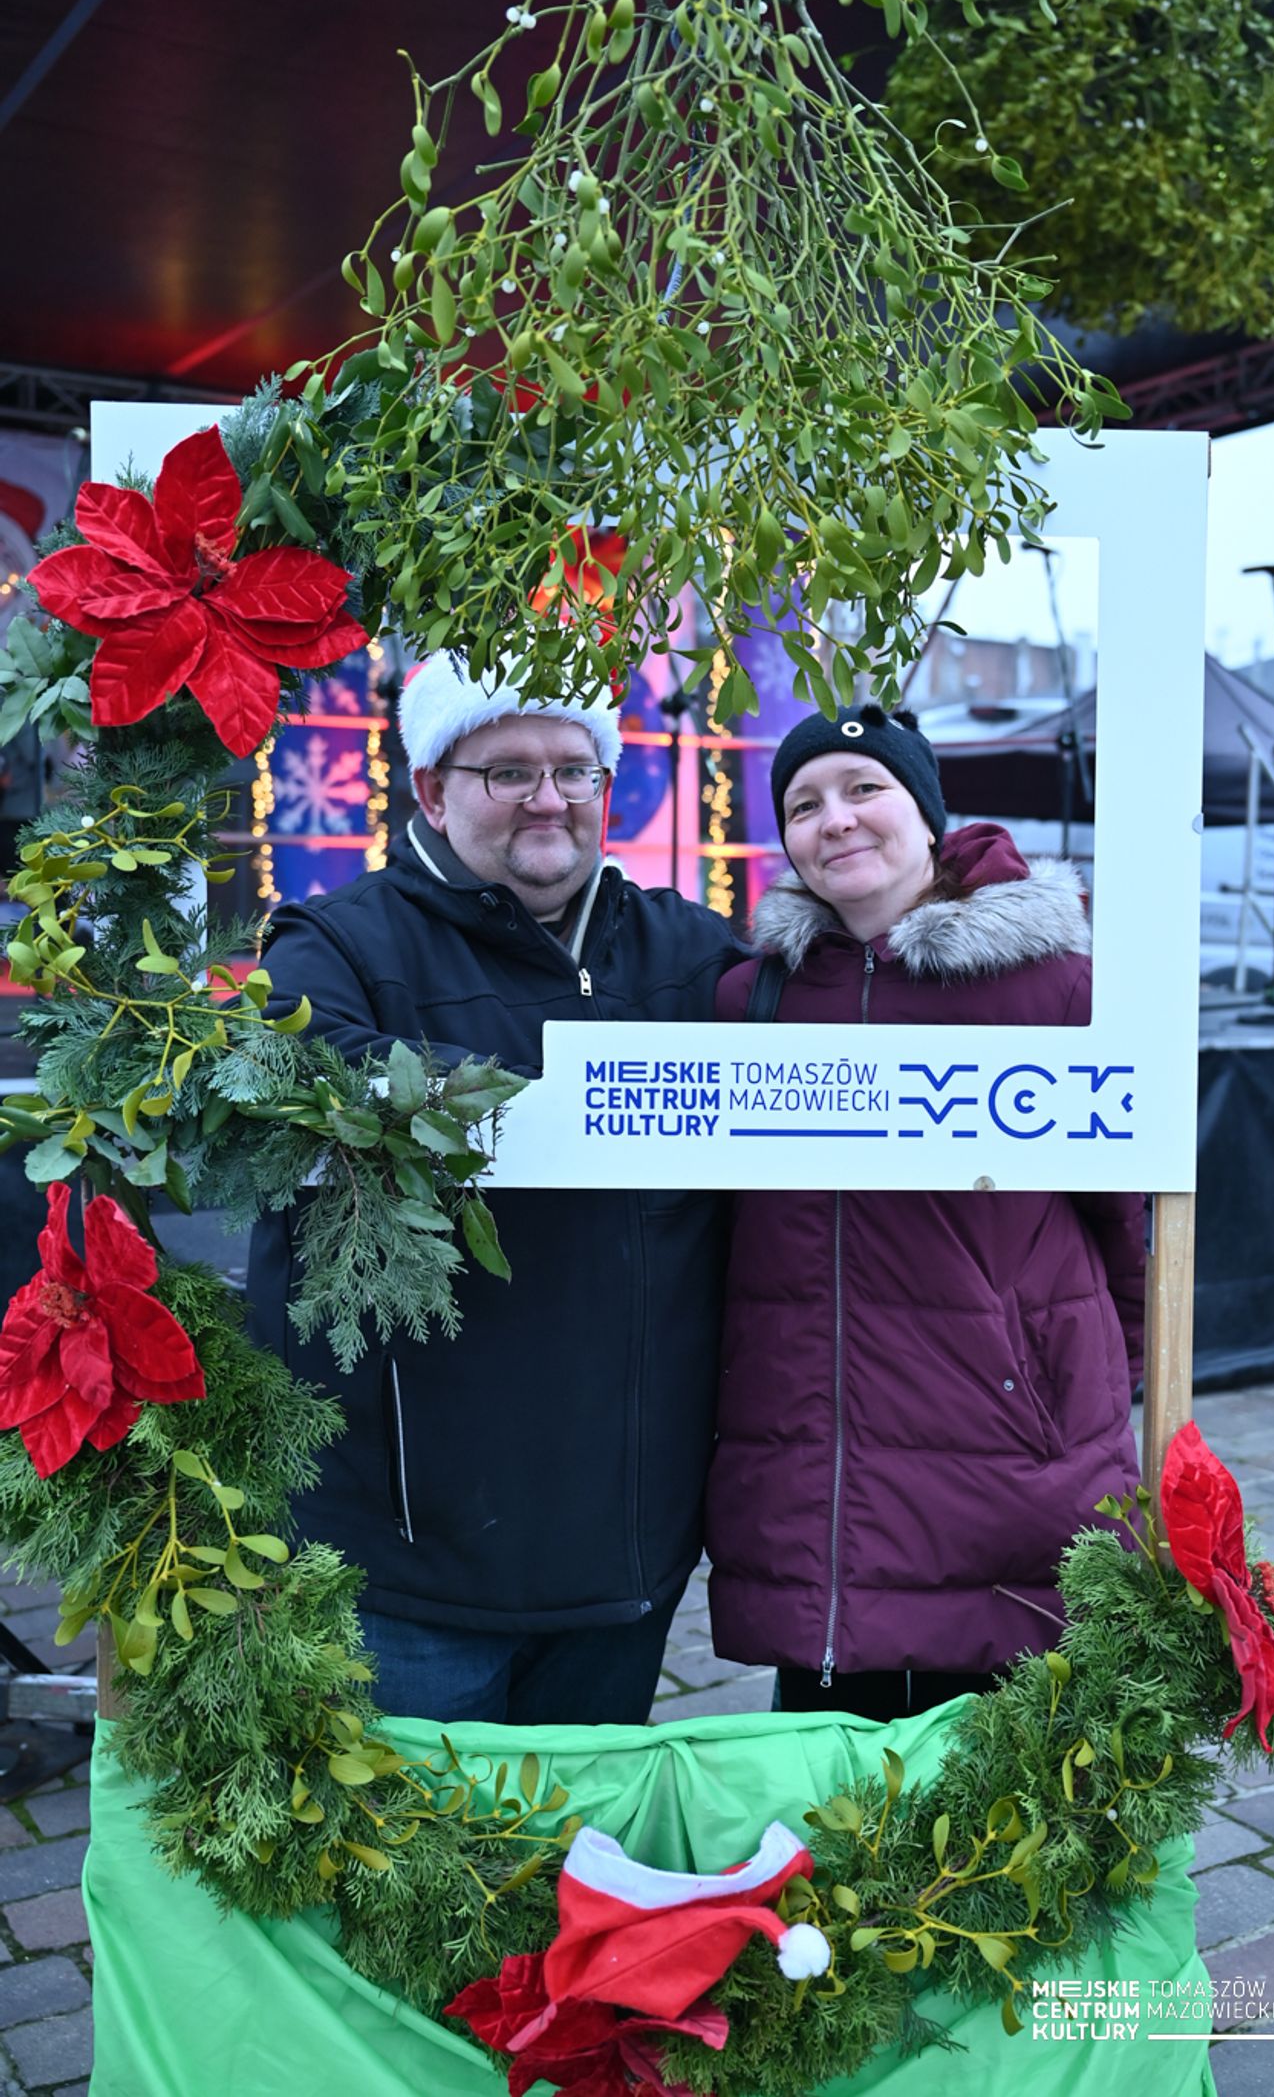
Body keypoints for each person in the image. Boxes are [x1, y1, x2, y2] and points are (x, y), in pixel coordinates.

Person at [247, 653, 740, 1726]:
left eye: (574, 769)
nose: (549, 798)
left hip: (626, 1556)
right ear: (432, 788)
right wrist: (603, 1094)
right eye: (508, 771)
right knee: (412, 1835)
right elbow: (305, 1074)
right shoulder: (337, 946)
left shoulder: (690, 953)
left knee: (583, 1833)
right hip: (413, 1562)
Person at [704, 702, 1144, 1720]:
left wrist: (1054, 1389)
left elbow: (1127, 1222)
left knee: (1003, 1779)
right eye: (805, 804)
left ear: (927, 814)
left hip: (1002, 1464)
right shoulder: (751, 1001)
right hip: (819, 1473)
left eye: (866, 789)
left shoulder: (1056, 988)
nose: (837, 819)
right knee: (832, 1780)